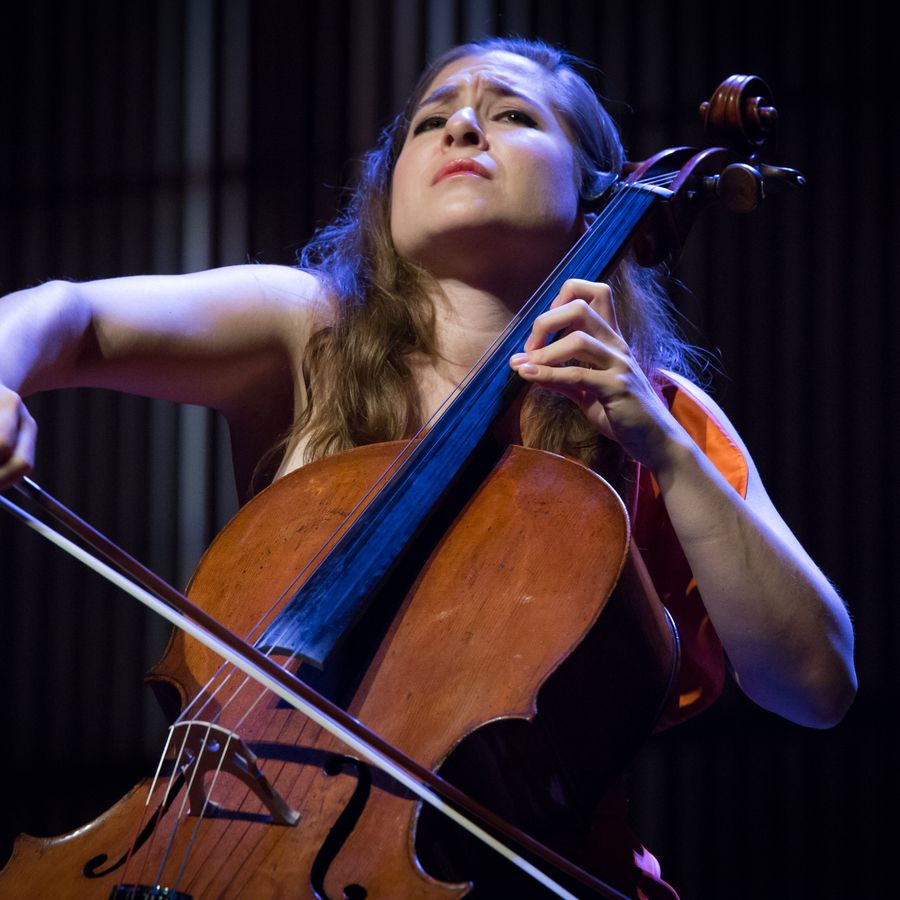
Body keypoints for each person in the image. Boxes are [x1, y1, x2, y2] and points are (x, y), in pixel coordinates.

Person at [0, 37, 855, 899]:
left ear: (599, 195)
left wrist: (665, 452)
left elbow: (815, 683)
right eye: (429, 120)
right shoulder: (309, 334)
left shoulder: (654, 415)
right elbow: (66, 315)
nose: (463, 127)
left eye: (513, 115)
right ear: (389, 187)